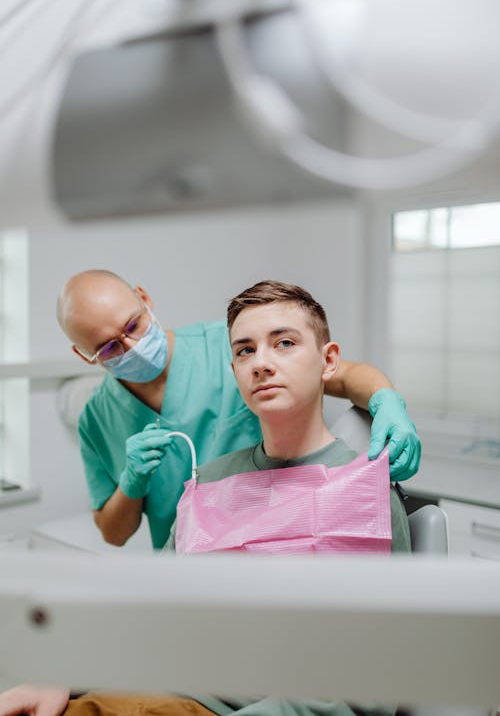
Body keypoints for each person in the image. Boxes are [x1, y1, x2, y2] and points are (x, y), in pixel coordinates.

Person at [1, 280, 410, 716]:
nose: (262, 363)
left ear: (327, 360)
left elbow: (366, 679)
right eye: (245, 351)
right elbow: (157, 613)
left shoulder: (363, 497)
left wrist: (385, 399)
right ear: (233, 369)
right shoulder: (207, 482)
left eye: (284, 343)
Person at [56, 270, 420, 550]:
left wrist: (384, 399)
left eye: (133, 325)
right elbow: (114, 534)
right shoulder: (96, 418)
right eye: (108, 349)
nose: (131, 346)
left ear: (143, 299)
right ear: (83, 355)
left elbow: (341, 375)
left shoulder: (225, 344)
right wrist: (131, 483)